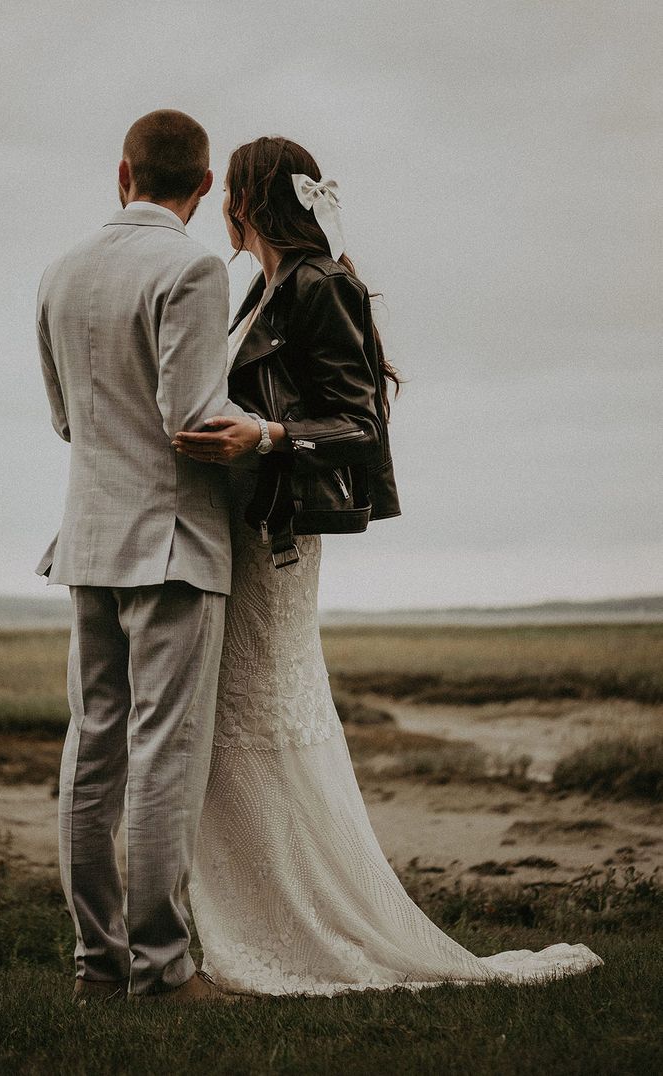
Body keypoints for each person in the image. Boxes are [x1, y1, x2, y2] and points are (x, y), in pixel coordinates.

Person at [173, 136, 603, 995]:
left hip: (275, 540)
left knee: (256, 713)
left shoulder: (319, 286)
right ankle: (225, 915)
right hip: (238, 534)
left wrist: (267, 435)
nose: (222, 205)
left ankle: (284, 925)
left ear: (245, 200)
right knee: (226, 718)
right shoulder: (260, 292)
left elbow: (359, 423)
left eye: (229, 191)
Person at [35, 110, 270, 1003]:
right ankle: (163, 970)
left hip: (88, 540)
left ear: (122, 172)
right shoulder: (192, 266)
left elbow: (65, 420)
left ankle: (99, 966)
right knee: (164, 755)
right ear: (203, 188)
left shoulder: (60, 271)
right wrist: (263, 441)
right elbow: (194, 424)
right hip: (173, 544)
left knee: (92, 754)